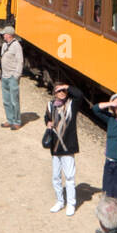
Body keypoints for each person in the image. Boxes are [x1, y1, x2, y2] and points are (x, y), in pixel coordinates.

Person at [44, 82, 79, 215]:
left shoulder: (72, 105)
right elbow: (46, 118)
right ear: (54, 93)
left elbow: (79, 95)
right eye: (58, 91)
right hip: (55, 146)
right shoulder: (50, 105)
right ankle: (59, 201)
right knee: (56, 176)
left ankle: (71, 203)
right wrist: (47, 123)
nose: (62, 93)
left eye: (63, 91)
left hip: (68, 146)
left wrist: (68, 86)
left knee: (69, 177)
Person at [0, 25, 24, 130]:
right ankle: (9, 119)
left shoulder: (17, 46)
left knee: (14, 101)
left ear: (9, 35)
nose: (3, 35)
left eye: (4, 33)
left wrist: (16, 76)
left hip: (12, 77)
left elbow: (20, 61)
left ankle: (17, 121)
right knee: (6, 100)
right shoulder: (4, 45)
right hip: (4, 76)